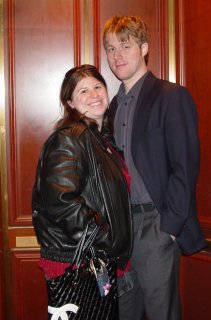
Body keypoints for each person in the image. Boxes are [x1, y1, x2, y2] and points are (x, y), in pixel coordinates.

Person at [103, 15, 207, 320]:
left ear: (144, 47)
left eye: (125, 45)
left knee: (163, 314)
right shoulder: (110, 107)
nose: (117, 55)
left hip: (156, 226)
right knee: (124, 313)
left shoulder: (171, 96)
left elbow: (184, 167)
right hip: (121, 231)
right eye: (111, 48)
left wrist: (169, 229)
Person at [32, 64, 133, 319]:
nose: (94, 94)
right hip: (76, 260)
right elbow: (60, 201)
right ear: (70, 102)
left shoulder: (100, 140)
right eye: (83, 91)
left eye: (98, 86)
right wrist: (105, 237)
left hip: (96, 257)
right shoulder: (71, 137)